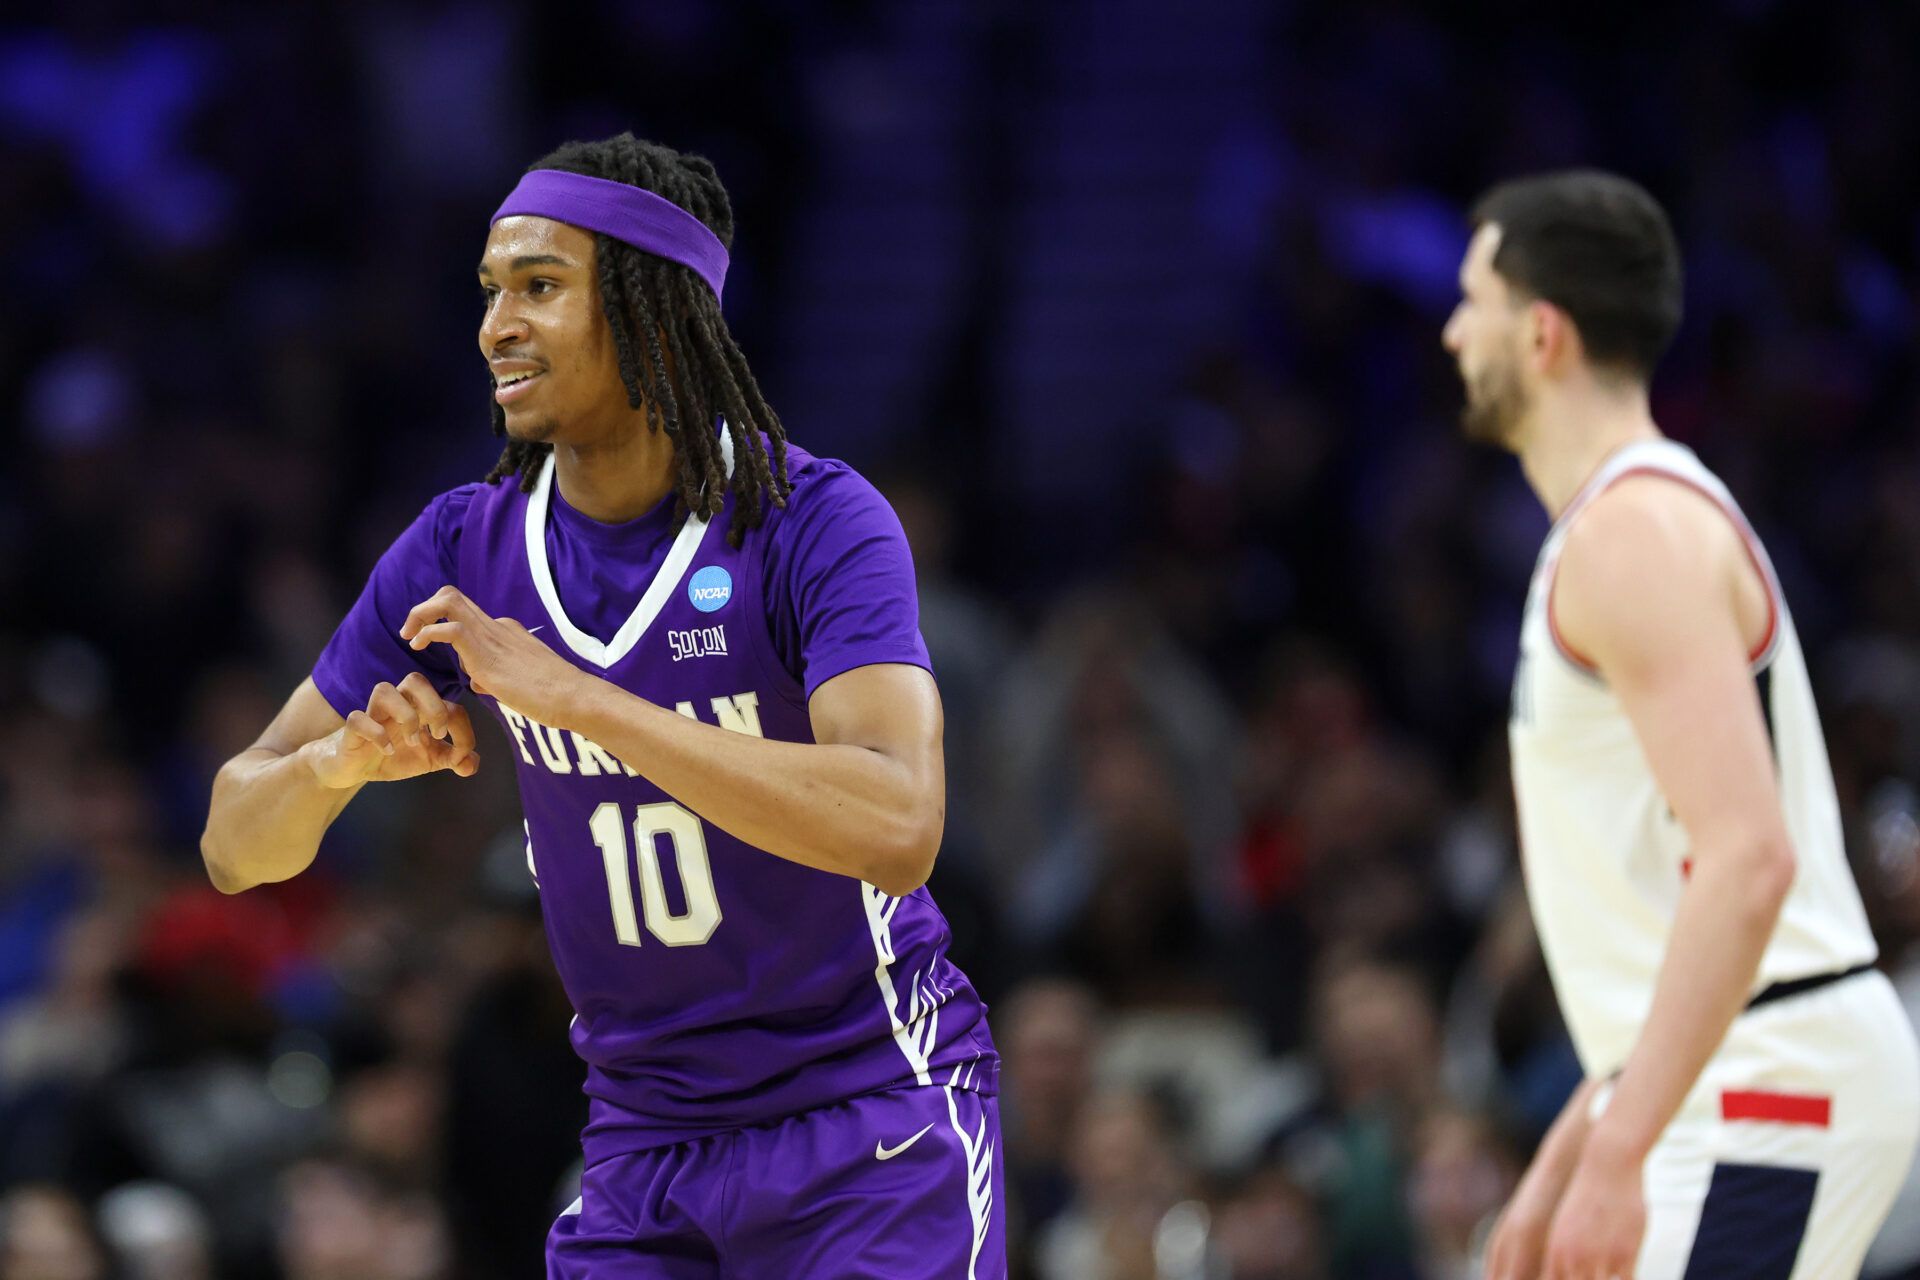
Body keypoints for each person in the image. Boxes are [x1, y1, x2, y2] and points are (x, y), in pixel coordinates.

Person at [201, 133, 1003, 1279]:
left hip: (869, 1121)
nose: (496, 326)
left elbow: (897, 823)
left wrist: (582, 700)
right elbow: (234, 841)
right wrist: (336, 766)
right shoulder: (462, 546)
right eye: (490, 292)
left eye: (539, 287)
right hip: (643, 1145)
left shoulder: (816, 520)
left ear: (652, 310)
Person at [1442, 170, 1919, 1278]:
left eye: (1476, 298)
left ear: (1544, 332)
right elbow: (1675, 896)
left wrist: (1615, 1152)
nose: (1455, 327)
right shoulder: (1623, 525)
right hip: (1736, 1069)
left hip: (1770, 1078)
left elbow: (1749, 860)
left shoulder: (1632, 537)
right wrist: (1583, 1136)